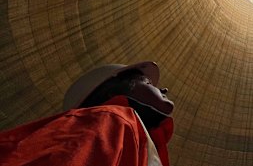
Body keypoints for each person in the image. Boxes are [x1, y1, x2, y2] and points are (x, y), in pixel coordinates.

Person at [0, 61, 175, 166]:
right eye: (147, 82)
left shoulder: (140, 141)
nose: (163, 88)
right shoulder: (109, 120)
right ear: (112, 93)